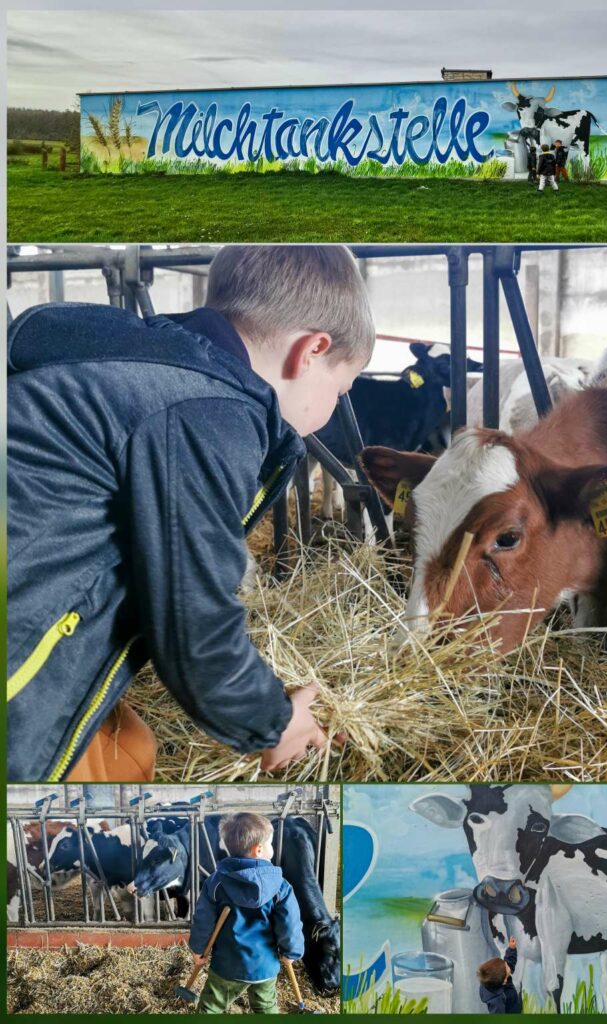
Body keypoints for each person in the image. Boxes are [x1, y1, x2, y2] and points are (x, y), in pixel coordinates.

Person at [8, 245, 375, 782]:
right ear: (311, 351)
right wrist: (273, 722)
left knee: (128, 747)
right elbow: (194, 625)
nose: (331, 410)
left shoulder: (144, 367)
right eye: (341, 389)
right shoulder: (208, 413)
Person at [189, 812, 305, 1015]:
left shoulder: (215, 883)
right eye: (270, 843)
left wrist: (198, 950)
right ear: (258, 849)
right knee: (266, 1007)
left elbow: (203, 920)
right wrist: (291, 952)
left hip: (227, 966)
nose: (272, 847)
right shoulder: (281, 887)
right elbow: (290, 924)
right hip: (265, 966)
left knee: (210, 1007)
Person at [477, 938, 523, 1014]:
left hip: (513, 1002)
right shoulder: (496, 1000)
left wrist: (511, 949)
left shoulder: (498, 975)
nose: (508, 966)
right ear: (503, 981)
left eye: (505, 965)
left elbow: (508, 962)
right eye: (506, 975)